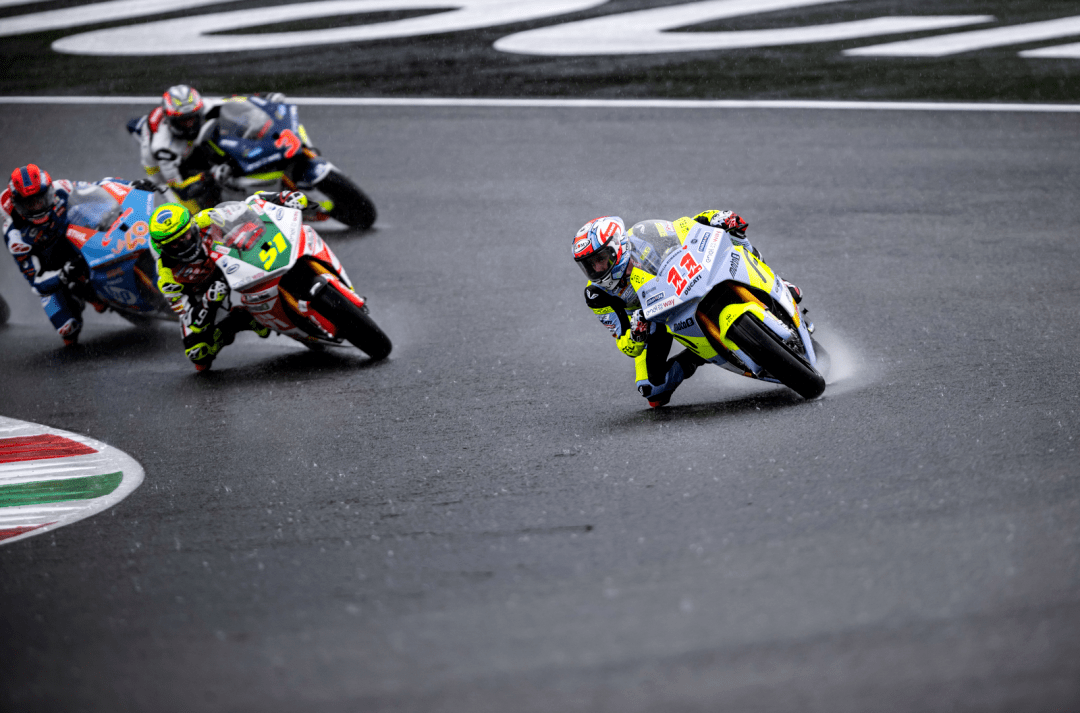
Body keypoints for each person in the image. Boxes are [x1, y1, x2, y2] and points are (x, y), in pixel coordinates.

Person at [573, 209, 803, 408]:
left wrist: (716, 217)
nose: (597, 269)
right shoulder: (596, 295)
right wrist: (636, 335)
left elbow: (686, 225)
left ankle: (777, 282)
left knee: (733, 231)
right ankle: (699, 354)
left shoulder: (642, 235)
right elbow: (625, 344)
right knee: (652, 390)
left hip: (681, 280)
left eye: (600, 258)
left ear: (617, 247)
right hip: (651, 319)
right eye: (589, 264)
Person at [148, 190, 307, 371]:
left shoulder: (206, 219)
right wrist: (208, 300)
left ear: (192, 226)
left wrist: (281, 197)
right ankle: (243, 319)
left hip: (230, 263)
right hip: (203, 293)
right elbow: (189, 317)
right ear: (163, 248)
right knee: (198, 354)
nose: (184, 244)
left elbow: (250, 204)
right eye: (174, 244)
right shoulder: (167, 278)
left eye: (185, 236)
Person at [1, 164, 124, 345]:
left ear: (50, 191)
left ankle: (101, 287)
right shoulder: (14, 235)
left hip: (75, 239)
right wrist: (63, 274)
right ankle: (79, 296)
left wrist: (129, 186)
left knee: (97, 215)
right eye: (30, 203)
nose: (37, 207)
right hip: (52, 268)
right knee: (67, 329)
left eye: (41, 199)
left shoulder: (62, 188)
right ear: (17, 205)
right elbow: (36, 282)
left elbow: (98, 188)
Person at [133, 85, 287, 214]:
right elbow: (180, 188)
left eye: (193, 118)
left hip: (189, 144)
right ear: (170, 121)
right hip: (162, 172)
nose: (190, 125)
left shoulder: (204, 106)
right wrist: (210, 175)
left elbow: (235, 101)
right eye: (184, 121)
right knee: (189, 216)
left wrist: (266, 97)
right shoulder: (164, 148)